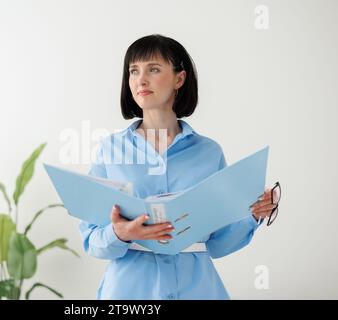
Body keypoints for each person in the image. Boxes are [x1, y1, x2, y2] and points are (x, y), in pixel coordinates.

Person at [79, 34, 280, 300]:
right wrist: (120, 233)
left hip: (199, 290)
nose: (141, 80)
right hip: (130, 293)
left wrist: (253, 214)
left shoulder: (209, 152)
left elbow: (219, 243)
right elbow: (91, 240)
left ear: (179, 79)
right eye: (134, 71)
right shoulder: (110, 149)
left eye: (154, 69)